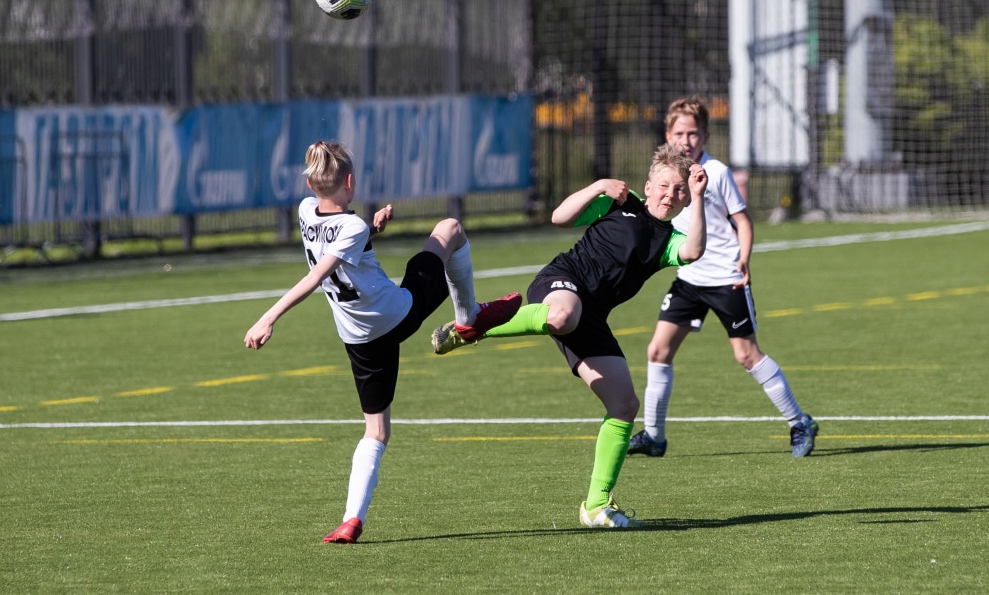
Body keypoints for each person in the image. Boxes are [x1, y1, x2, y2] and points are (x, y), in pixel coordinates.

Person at [244, 140, 522, 544]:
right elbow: (316, 275)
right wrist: (268, 318)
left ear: (310, 185)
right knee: (450, 230)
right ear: (351, 182)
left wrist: (372, 227)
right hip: (398, 315)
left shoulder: (306, 212)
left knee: (375, 432)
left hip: (358, 339)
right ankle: (469, 320)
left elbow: (337, 242)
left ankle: (350, 520)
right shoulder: (352, 227)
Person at [432, 144, 707, 528]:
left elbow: (694, 251)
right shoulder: (617, 205)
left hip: (591, 316)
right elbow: (559, 217)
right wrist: (598, 186)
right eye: (664, 186)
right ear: (648, 186)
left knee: (624, 405)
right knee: (562, 314)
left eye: (679, 191)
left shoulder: (667, 242)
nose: (670, 195)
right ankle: (475, 322)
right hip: (561, 282)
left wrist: (698, 197)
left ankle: (596, 507)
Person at [627, 96, 819, 459]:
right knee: (658, 350)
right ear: (668, 134)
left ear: (706, 136)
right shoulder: (666, 175)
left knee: (746, 355)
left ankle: (799, 422)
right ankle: (654, 436)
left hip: (725, 277)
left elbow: (742, 222)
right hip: (689, 278)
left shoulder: (716, 172)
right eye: (680, 132)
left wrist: (744, 259)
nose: (687, 140)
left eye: (694, 133)